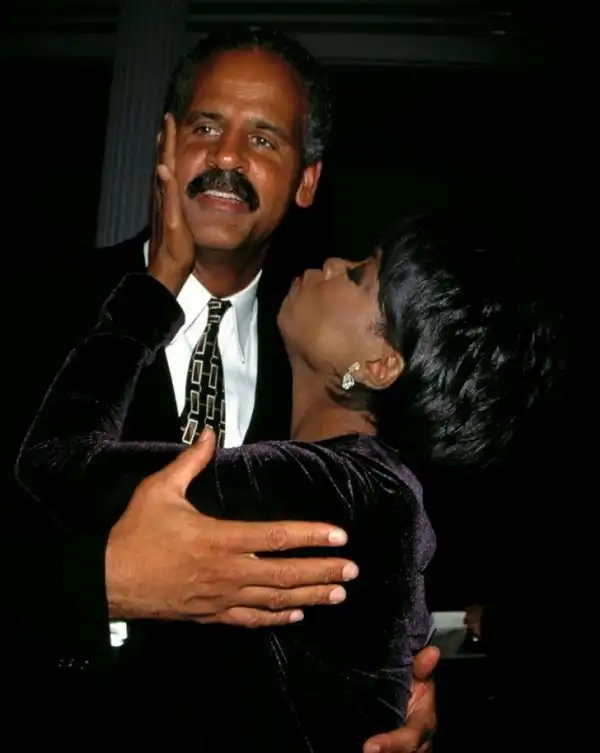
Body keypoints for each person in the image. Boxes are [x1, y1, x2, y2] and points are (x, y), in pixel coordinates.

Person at [6, 25, 436, 752]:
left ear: (306, 181)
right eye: (207, 127)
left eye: (263, 139)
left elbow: (364, 596)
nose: (228, 157)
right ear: (166, 143)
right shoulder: (31, 309)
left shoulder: (325, 358)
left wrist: (399, 699)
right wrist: (103, 583)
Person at [17, 195, 560, 750]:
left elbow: (57, 462)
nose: (333, 264)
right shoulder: (377, 489)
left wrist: (148, 301)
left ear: (379, 367)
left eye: (358, 275)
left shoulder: (327, 489)